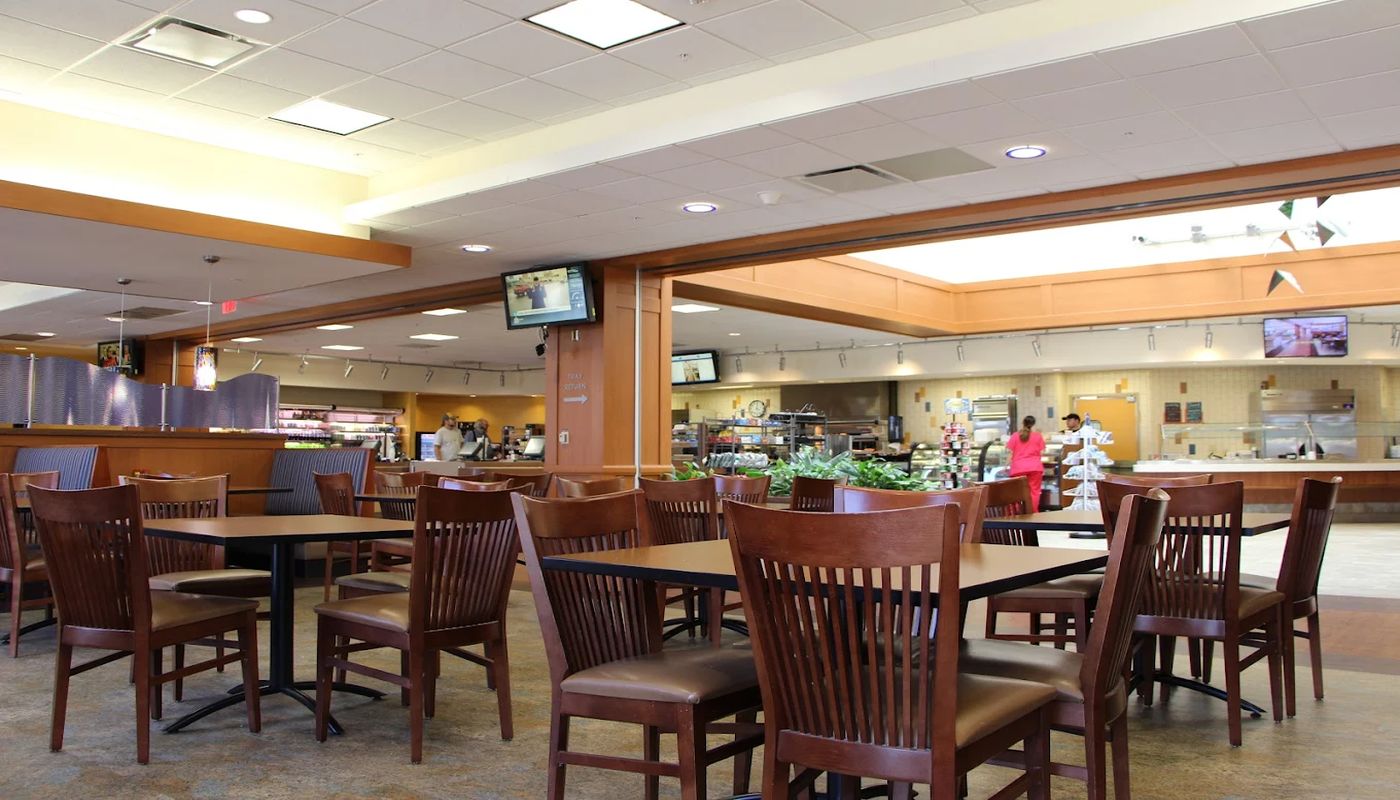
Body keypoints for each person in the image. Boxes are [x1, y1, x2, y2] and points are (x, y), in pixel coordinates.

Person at [1006, 415, 1046, 512]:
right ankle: (1033, 513)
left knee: (1017, 493)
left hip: (1018, 468)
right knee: (1034, 492)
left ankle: (1018, 513)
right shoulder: (1038, 436)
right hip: (1035, 467)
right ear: (1033, 424)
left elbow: (1010, 453)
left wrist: (1007, 466)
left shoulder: (1015, 436)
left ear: (1023, 423)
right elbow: (1042, 452)